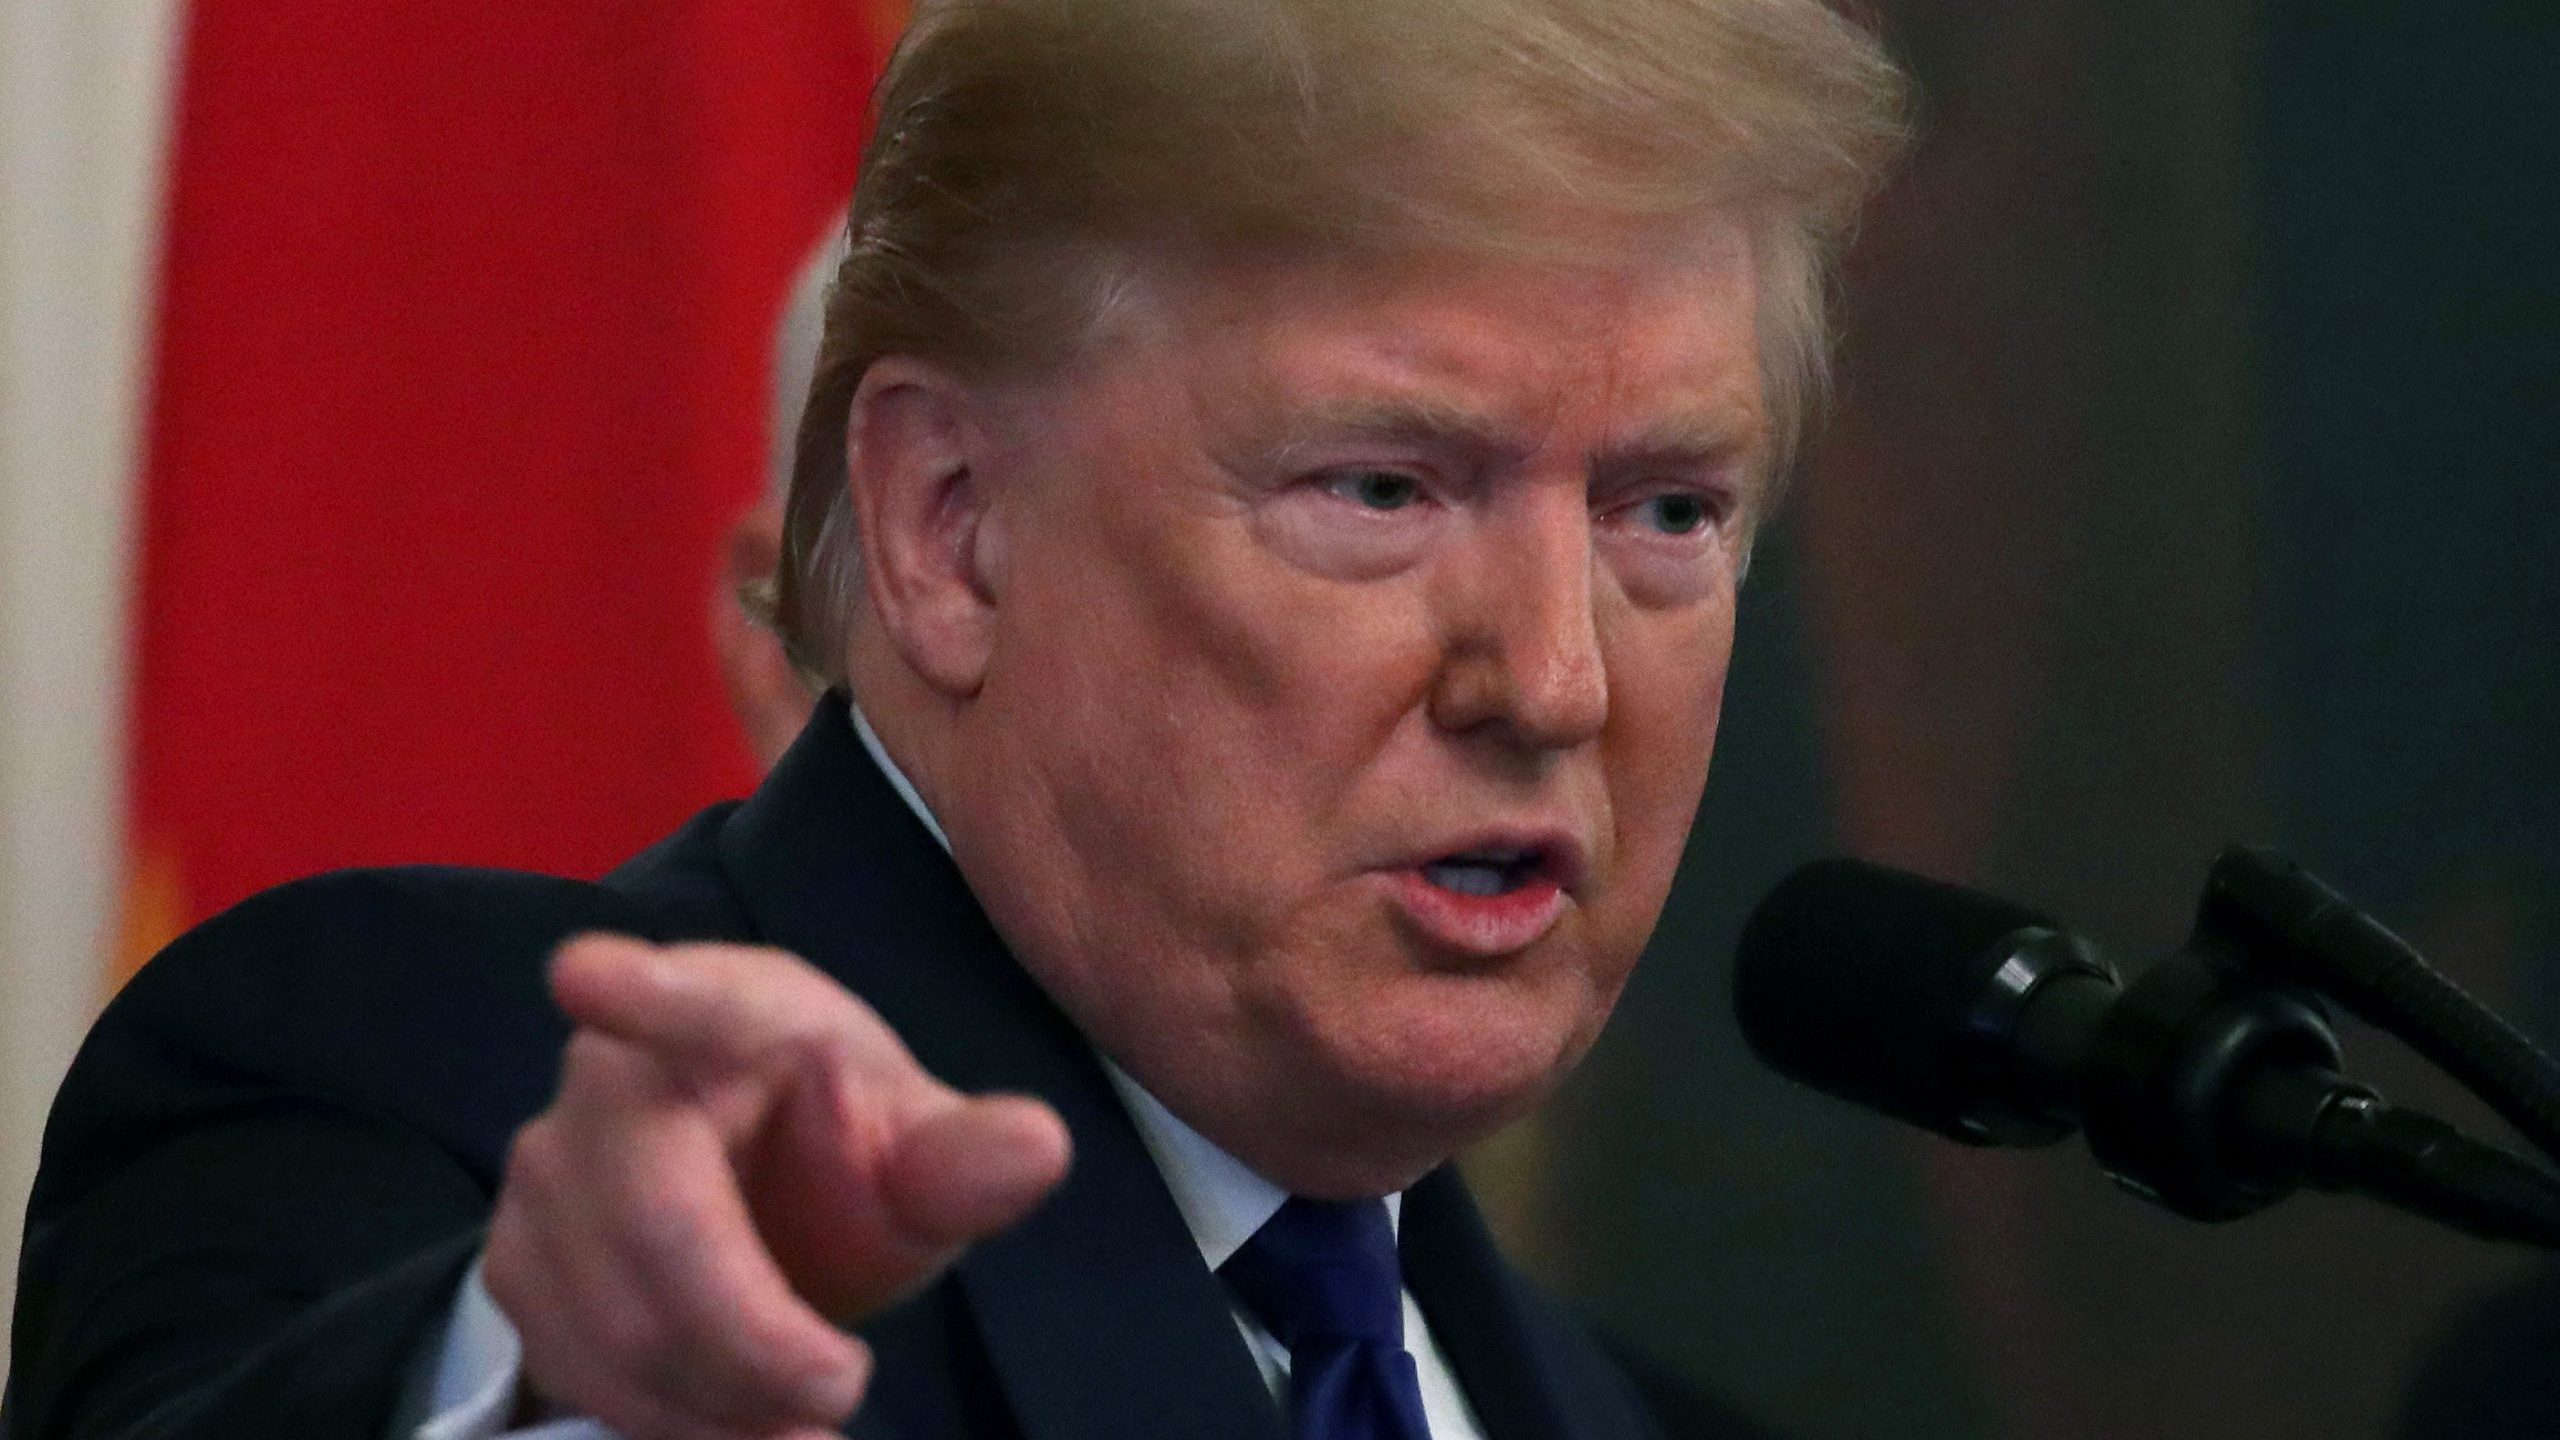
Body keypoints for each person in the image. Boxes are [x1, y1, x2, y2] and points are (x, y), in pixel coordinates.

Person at [4, 1, 1906, 1437]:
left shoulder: (1627, 1414)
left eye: (1667, 510)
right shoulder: (415, 1091)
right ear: (951, 531)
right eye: (1383, 491)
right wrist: (556, 1390)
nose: (1557, 682)